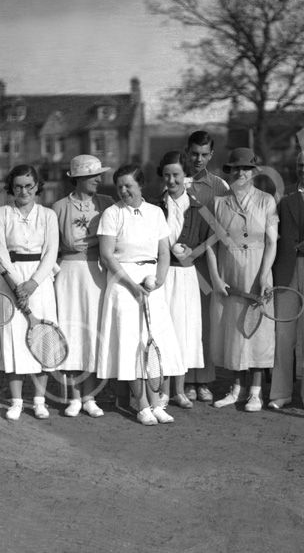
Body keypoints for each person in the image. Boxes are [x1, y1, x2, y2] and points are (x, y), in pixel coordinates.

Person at [97, 164, 184, 426]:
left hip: (152, 285)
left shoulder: (156, 212)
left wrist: (159, 281)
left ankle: (157, 403)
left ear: (141, 186)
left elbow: (165, 253)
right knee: (131, 344)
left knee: (154, 342)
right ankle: (142, 406)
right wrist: (132, 286)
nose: (124, 191)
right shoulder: (112, 214)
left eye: (129, 186)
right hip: (124, 286)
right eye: (120, 186)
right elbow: (107, 255)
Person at [207, 148, 278, 412]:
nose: (240, 173)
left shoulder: (266, 200)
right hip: (229, 271)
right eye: (236, 168)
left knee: (257, 329)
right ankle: (235, 389)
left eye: (246, 168)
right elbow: (211, 245)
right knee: (233, 329)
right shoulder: (218, 202)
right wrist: (215, 277)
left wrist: (263, 275)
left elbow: (272, 242)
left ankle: (256, 393)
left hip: (258, 269)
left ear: (253, 172)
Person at [0, 164, 59, 421]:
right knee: (14, 339)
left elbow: (51, 252)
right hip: (10, 283)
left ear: (37, 186)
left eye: (28, 185)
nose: (23, 191)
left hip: (40, 285)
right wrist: (17, 284)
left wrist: (32, 284)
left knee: (43, 339)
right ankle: (16, 401)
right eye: (18, 186)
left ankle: (39, 401)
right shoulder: (1, 214)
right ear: (11, 187)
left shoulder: (48, 215)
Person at [52, 155, 114, 418]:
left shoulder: (107, 204)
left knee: (92, 332)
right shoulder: (58, 207)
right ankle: (74, 397)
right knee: (71, 332)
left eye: (99, 175)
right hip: (68, 275)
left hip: (96, 273)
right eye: (93, 176)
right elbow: (51, 249)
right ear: (78, 179)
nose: (99, 180)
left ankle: (90, 397)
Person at [152, 151, 211, 409]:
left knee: (185, 330)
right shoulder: (154, 206)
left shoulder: (197, 207)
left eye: (176, 174)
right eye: (166, 175)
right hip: (162, 274)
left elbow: (211, 238)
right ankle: (163, 391)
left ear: (185, 175)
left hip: (186, 276)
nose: (171, 180)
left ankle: (179, 390)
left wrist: (193, 252)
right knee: (163, 329)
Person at [269, 148, 304, 410]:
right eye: (300, 165)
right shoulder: (284, 196)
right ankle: (280, 393)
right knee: (284, 335)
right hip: (286, 272)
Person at [182, 130, 229, 402]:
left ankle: (204, 380)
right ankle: (186, 379)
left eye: (204, 155)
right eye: (194, 154)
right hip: (180, 263)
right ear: (187, 152)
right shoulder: (176, 181)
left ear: (211, 155)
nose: (198, 159)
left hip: (207, 264)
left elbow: (222, 228)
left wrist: (199, 249)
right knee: (185, 319)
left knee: (206, 322)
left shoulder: (220, 186)